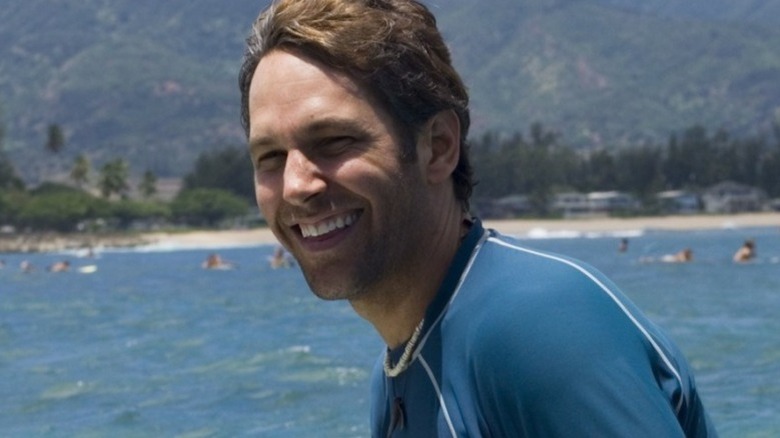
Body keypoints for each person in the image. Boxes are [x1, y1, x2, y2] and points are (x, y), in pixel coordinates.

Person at [239, 1, 717, 436]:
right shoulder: (396, 378)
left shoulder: (535, 327)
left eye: (335, 141)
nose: (297, 185)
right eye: (270, 157)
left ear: (438, 148)